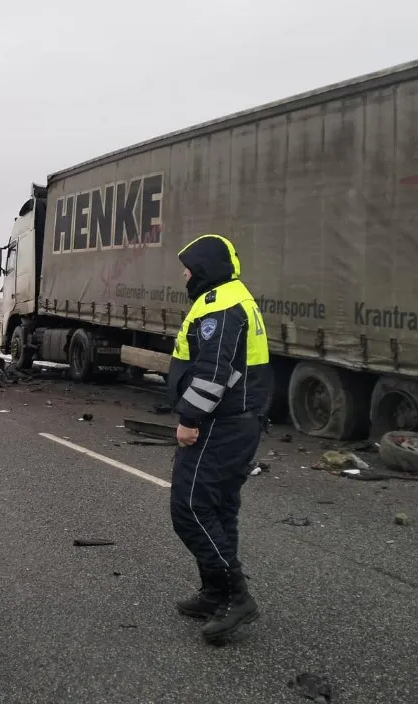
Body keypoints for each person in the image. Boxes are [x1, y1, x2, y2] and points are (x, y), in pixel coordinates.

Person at [167, 234, 271, 644]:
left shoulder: (221, 306)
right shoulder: (236, 298)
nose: (185, 273)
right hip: (238, 420)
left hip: (219, 423)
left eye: (189, 266)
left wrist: (189, 419)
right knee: (220, 508)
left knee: (190, 508)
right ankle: (215, 593)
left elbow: (214, 371)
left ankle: (235, 596)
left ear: (205, 267)